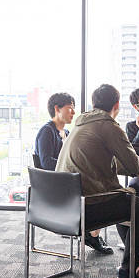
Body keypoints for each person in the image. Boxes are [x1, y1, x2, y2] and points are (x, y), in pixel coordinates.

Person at [56, 84, 139, 278]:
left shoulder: (81, 124)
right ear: (117, 104)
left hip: (62, 208)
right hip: (87, 208)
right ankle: (127, 270)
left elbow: (106, 162)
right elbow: (135, 163)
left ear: (94, 103)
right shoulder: (108, 126)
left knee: (127, 198)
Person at [34, 92, 112, 255]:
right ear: (57, 109)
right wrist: (74, 168)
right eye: (70, 108)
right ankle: (92, 234)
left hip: (67, 184)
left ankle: (92, 232)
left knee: (102, 185)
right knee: (99, 189)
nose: (74, 112)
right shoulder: (46, 132)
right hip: (54, 188)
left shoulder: (68, 133)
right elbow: (47, 163)